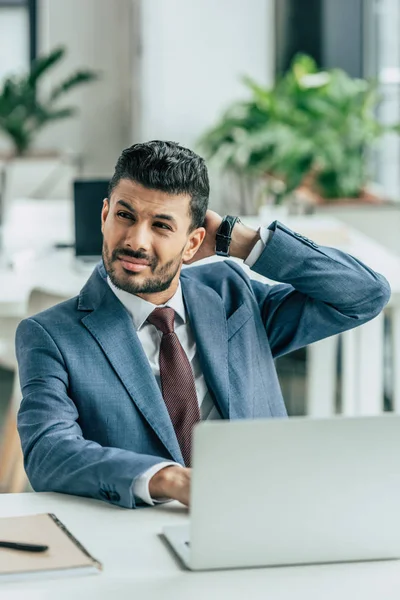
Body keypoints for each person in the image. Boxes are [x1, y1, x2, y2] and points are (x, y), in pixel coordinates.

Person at [16, 141, 390, 509]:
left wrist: (245, 241)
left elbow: (364, 294)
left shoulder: (233, 297)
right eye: (124, 215)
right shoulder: (50, 335)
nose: (135, 240)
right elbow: (49, 452)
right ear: (104, 216)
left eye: (161, 225)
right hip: (143, 533)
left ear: (193, 242)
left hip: (267, 513)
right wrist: (168, 479)